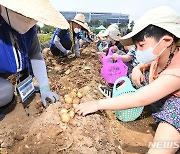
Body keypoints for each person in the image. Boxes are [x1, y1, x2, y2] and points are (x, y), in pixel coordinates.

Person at [76, 6, 180, 153]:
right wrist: (139, 68)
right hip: (161, 103)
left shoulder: (177, 69)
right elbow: (150, 64)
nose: (137, 51)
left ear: (167, 41)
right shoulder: (162, 56)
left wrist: (98, 103)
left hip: (175, 112)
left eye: (141, 45)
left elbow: (140, 98)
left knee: (175, 112)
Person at [0, 0, 69, 120]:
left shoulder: (30, 31)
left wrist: (44, 88)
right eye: (23, 13)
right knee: (5, 91)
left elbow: (36, 55)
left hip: (11, 71)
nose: (28, 19)